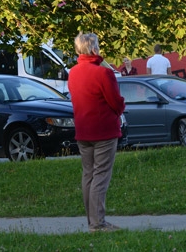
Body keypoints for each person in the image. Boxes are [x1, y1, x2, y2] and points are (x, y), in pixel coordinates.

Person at [68, 32, 127, 232]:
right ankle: (98, 223)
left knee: (88, 175)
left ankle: (92, 220)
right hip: (104, 130)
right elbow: (115, 101)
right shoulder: (103, 73)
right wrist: (120, 110)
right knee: (101, 176)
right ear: (94, 48)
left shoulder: (73, 72)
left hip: (83, 129)